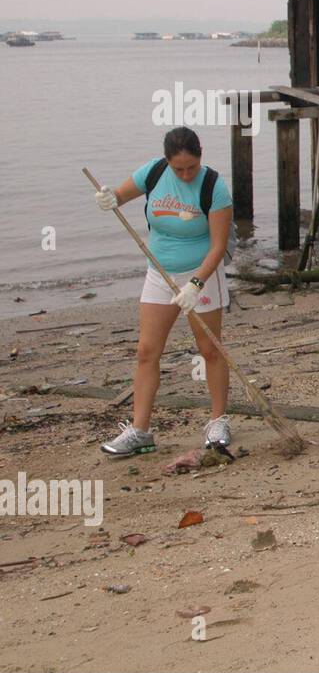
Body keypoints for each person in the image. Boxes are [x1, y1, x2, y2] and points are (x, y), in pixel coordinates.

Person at [93, 127, 234, 457]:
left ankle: (218, 421)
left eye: (191, 167)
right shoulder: (154, 172)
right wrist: (108, 197)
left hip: (202, 274)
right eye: (178, 169)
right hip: (159, 272)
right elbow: (120, 195)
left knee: (209, 349)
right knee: (147, 351)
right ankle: (140, 430)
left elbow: (218, 246)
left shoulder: (215, 186)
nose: (185, 175)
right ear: (167, 162)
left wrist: (195, 284)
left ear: (200, 156)